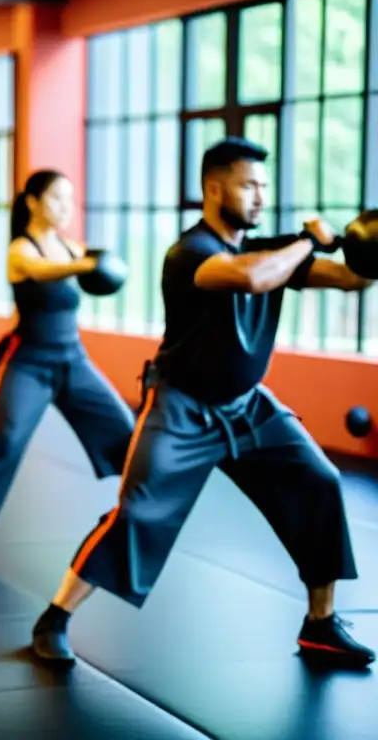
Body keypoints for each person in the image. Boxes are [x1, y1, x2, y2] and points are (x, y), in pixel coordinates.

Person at [30, 137, 375, 670]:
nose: (260, 195)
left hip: (248, 407)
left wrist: (367, 253)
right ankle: (55, 617)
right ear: (214, 188)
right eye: (248, 184)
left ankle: (321, 624)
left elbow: (349, 279)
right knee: (139, 512)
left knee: (320, 483)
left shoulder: (274, 250)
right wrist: (310, 239)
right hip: (182, 409)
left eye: (264, 185)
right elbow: (251, 277)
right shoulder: (191, 252)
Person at [0, 170, 135, 557]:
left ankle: (134, 514)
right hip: (27, 362)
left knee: (122, 427)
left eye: (69, 199)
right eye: (56, 198)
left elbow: (91, 274)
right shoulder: (22, 250)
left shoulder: (73, 248)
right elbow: (43, 272)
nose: (65, 207)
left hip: (73, 359)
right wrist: (85, 265)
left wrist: (95, 264)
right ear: (32, 202)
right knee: (3, 435)